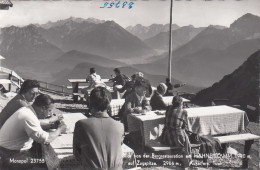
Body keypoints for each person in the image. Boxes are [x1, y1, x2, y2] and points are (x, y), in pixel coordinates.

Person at [0, 94, 67, 169]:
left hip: (6, 150)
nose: (50, 114)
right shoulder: (28, 116)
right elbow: (45, 139)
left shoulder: (27, 110)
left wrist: (51, 126)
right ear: (43, 108)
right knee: (44, 163)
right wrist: (59, 130)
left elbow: (35, 123)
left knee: (41, 155)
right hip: (11, 155)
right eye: (49, 111)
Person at [73, 87, 124, 170]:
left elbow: (77, 155)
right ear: (109, 104)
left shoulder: (81, 124)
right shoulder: (120, 125)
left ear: (90, 103)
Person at [160, 96, 191, 167]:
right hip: (177, 139)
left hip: (166, 138)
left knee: (182, 134)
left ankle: (179, 156)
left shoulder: (168, 108)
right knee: (185, 137)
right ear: (181, 104)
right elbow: (185, 127)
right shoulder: (184, 112)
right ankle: (186, 160)